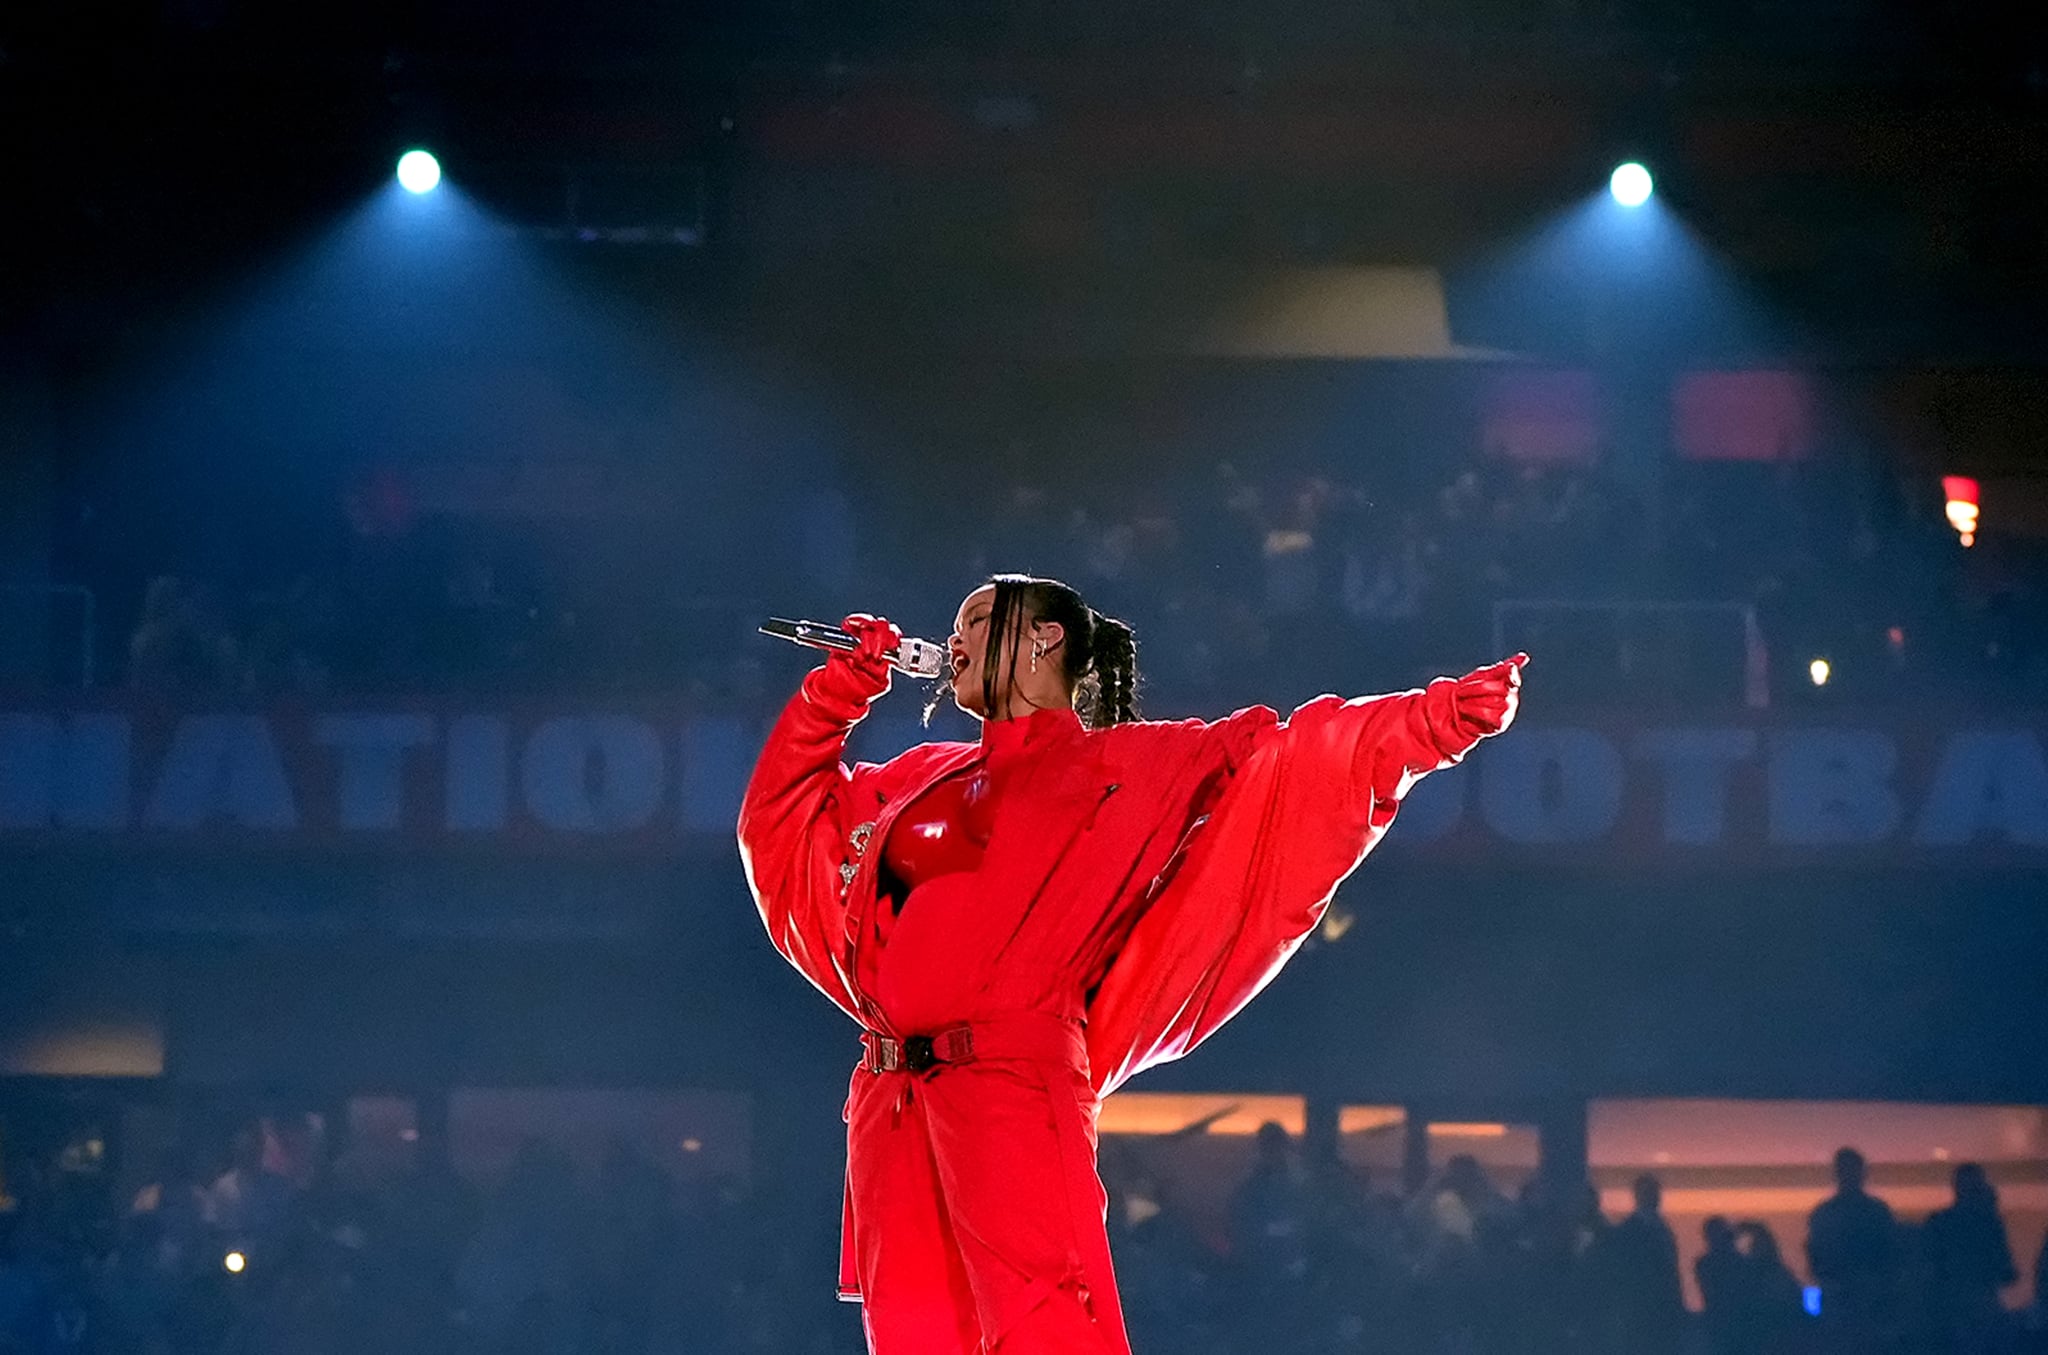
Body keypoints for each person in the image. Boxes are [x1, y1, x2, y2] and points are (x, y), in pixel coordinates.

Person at [738, 574, 1526, 1355]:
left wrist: (1430, 721)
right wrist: (832, 696)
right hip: (894, 1106)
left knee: (1049, 1333)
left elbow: (1295, 756)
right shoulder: (919, 777)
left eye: (978, 619)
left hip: (1009, 1090)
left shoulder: (1129, 765)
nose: (955, 640)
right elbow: (782, 823)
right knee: (913, 1339)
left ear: (1042, 639)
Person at [1806, 1146, 1899, 1352]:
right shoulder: (1873, 1211)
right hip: (1849, 1296)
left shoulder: (1829, 1213)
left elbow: (1889, 1254)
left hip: (1864, 1296)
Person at [1922, 1162, 2017, 1354]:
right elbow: (2006, 1271)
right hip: (1978, 1304)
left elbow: (1928, 1265)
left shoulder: (1939, 1220)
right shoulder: (1988, 1223)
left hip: (1950, 1306)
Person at [1601, 1174, 1684, 1355]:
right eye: (1650, 1193)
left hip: (1661, 1312)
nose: (1654, 1197)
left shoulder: (1658, 1228)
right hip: (1643, 1313)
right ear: (1639, 1196)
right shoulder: (1629, 1232)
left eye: (1655, 1193)